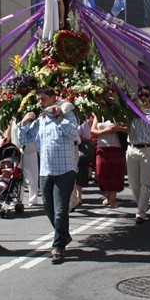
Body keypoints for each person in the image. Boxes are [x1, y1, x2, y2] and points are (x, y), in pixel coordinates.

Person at [19, 86, 80, 264]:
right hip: (46, 170)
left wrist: (59, 116)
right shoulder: (41, 119)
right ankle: (63, 235)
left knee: (61, 210)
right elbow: (25, 140)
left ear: (54, 98)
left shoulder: (67, 113)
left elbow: (72, 134)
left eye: (43, 99)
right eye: (38, 100)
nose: (40, 103)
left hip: (65, 170)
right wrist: (23, 124)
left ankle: (58, 246)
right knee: (49, 208)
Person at [127, 86, 150, 224]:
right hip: (131, 148)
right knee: (133, 183)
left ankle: (141, 212)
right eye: (141, 95)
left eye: (146, 95)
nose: (143, 97)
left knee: (145, 182)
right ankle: (142, 204)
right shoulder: (131, 111)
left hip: (147, 148)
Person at [91, 114, 128, 208]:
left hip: (116, 148)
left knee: (114, 174)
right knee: (101, 173)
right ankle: (108, 195)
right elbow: (93, 131)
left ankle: (113, 199)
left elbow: (129, 128)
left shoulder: (119, 113)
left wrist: (118, 128)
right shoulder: (98, 115)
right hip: (102, 148)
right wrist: (105, 131)